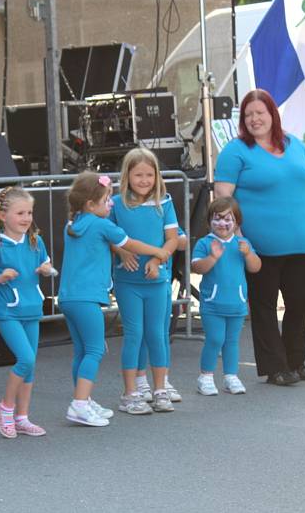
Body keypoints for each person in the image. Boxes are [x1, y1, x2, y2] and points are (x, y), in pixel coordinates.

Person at [214, 89, 305, 386]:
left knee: (301, 302)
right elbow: (222, 194)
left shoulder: (294, 145)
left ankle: (296, 360)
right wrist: (236, 235)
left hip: (302, 242)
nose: (255, 119)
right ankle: (275, 367)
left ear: (272, 114)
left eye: (260, 112)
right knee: (264, 307)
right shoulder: (236, 151)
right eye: (248, 115)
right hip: (260, 247)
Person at [59, 171, 171, 427]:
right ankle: (79, 404)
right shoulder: (100, 224)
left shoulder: (73, 223)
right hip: (87, 298)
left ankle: (84, 400)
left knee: (82, 350)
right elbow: (130, 243)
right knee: (96, 349)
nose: (111, 203)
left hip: (69, 297)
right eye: (107, 199)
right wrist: (158, 251)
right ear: (90, 204)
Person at [0, 187, 55, 438]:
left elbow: (46, 264)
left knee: (30, 367)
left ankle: (22, 417)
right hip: (9, 313)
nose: (26, 218)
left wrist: (47, 269)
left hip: (32, 309)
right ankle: (5, 407)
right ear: (2, 216)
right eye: (20, 213)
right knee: (26, 359)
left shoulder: (36, 241)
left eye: (29, 212)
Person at [109, 148, 179, 414]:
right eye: (138, 174)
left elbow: (172, 239)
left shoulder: (165, 202)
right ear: (127, 175)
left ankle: (160, 389)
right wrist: (123, 251)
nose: (144, 180)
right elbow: (110, 237)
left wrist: (157, 260)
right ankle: (131, 393)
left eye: (149, 174)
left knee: (156, 335)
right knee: (134, 334)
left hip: (157, 280)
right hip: (128, 282)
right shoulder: (116, 204)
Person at [191, 197, 261, 395]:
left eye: (227, 219)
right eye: (217, 218)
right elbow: (196, 267)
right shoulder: (205, 243)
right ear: (209, 222)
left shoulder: (243, 243)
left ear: (236, 222)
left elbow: (256, 267)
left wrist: (249, 254)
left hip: (237, 304)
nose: (222, 223)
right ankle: (205, 376)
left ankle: (231, 375)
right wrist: (212, 257)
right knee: (214, 339)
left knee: (232, 341)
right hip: (212, 304)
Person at [134, 227, 188, 402]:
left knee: (161, 334)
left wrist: (166, 244)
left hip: (161, 282)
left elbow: (183, 241)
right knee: (140, 333)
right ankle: (140, 380)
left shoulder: (164, 215)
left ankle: (163, 380)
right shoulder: (128, 212)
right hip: (135, 282)